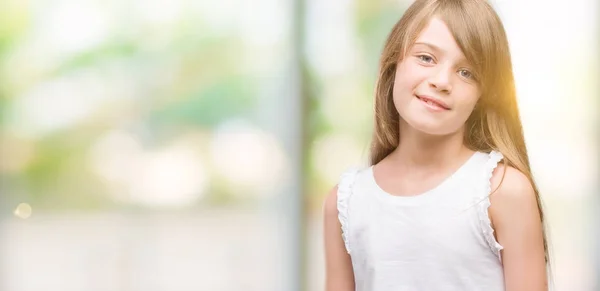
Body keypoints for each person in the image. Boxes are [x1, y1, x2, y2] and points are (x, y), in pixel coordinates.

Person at [322, 0, 549, 290]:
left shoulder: (502, 190)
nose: (442, 81)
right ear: (394, 61)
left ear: (483, 95)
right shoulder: (345, 202)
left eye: (467, 72)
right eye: (426, 58)